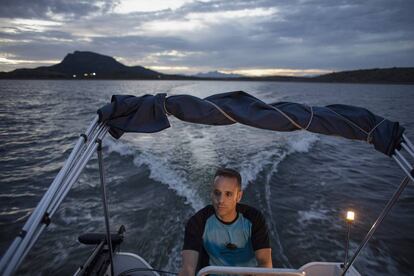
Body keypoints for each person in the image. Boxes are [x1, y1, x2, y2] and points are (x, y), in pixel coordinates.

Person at [179, 168, 272, 276]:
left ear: (238, 196)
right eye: (217, 193)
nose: (221, 200)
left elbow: (265, 265)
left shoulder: (254, 219)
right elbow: (188, 268)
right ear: (211, 194)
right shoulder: (198, 222)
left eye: (228, 194)